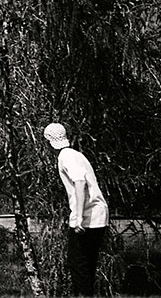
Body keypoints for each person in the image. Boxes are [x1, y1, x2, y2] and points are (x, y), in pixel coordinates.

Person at [44, 122, 109, 296]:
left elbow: (79, 182)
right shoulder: (76, 155)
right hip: (98, 216)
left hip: (88, 217)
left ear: (48, 142)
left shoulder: (65, 156)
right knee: (87, 265)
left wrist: (78, 216)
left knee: (77, 264)